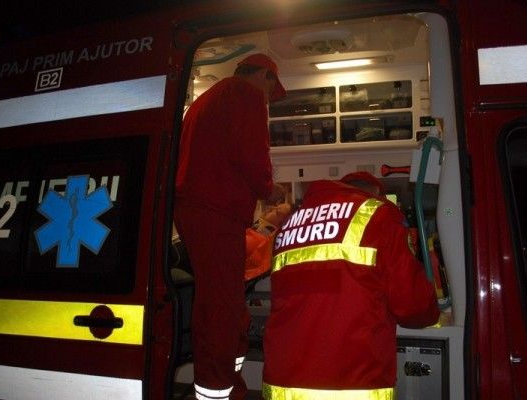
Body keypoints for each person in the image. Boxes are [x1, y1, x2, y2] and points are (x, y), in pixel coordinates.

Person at [262, 172, 440, 400]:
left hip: (282, 383)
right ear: (374, 194)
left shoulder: (290, 224)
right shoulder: (378, 214)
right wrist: (432, 307)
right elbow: (413, 305)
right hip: (350, 382)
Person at [174, 53, 286, 400]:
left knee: (220, 302)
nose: (268, 98)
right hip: (215, 212)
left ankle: (225, 379)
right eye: (271, 90)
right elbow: (252, 153)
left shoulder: (208, 98)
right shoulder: (246, 94)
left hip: (198, 210)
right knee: (221, 307)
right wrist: (269, 190)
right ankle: (219, 390)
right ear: (264, 75)